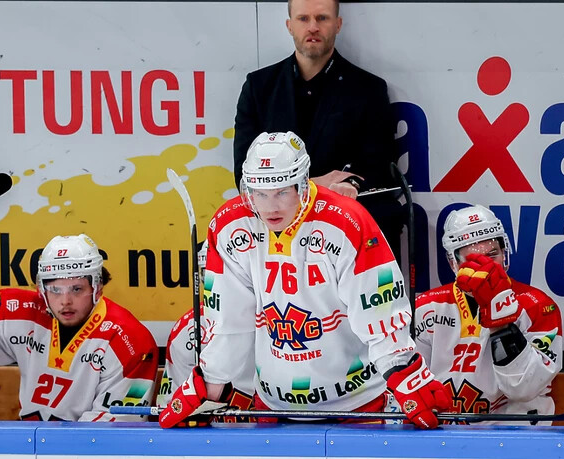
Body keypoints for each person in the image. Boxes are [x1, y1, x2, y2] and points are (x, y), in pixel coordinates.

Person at [159, 132, 450, 429]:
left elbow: (379, 306)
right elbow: (228, 320)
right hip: (273, 404)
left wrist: (404, 372)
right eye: (260, 193)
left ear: (301, 184)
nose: (271, 207)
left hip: (357, 403)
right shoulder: (230, 226)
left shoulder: (346, 220)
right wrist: (210, 385)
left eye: (282, 192)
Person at [0, 189, 158, 421]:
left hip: (79, 446)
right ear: (42, 289)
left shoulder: (130, 343)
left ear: (97, 286)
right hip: (30, 442)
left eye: (77, 289)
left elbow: (115, 430)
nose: (65, 301)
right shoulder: (24, 313)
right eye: (55, 290)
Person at [232, 0, 402, 256]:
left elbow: (379, 167)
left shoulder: (369, 89)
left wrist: (350, 184)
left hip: (344, 222)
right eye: (303, 19)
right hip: (277, 227)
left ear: (338, 24)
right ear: (289, 25)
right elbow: (244, 178)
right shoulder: (259, 87)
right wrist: (314, 186)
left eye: (322, 18)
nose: (313, 27)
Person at [413, 205, 562, 424]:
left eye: (493, 254)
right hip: (444, 433)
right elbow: (411, 384)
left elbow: (523, 388)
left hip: (516, 433)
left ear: (504, 252)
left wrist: (501, 325)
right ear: (453, 262)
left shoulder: (538, 306)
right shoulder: (426, 307)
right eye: (473, 259)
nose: (486, 266)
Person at [157, 244, 255, 422]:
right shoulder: (188, 329)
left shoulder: (288, 323)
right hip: (212, 436)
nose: (226, 285)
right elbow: (171, 409)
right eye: (212, 275)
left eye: (236, 276)